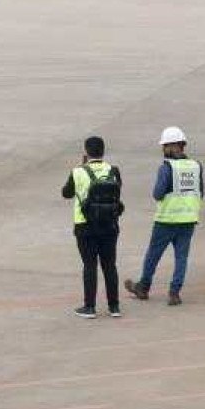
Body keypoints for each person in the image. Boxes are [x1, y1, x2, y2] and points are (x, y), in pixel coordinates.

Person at [126, 127, 203, 305]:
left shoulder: (166, 168)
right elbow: (200, 191)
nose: (163, 150)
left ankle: (143, 287)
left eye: (164, 146)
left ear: (171, 146)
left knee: (153, 254)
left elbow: (158, 194)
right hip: (188, 219)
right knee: (181, 257)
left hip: (166, 220)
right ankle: (175, 293)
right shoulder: (195, 165)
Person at [63, 134, 124, 319]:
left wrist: (81, 167)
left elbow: (66, 193)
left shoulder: (78, 171)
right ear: (103, 151)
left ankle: (89, 307)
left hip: (85, 225)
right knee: (109, 265)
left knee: (90, 265)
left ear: (86, 152)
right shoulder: (114, 170)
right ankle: (114, 307)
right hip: (109, 225)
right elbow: (117, 190)